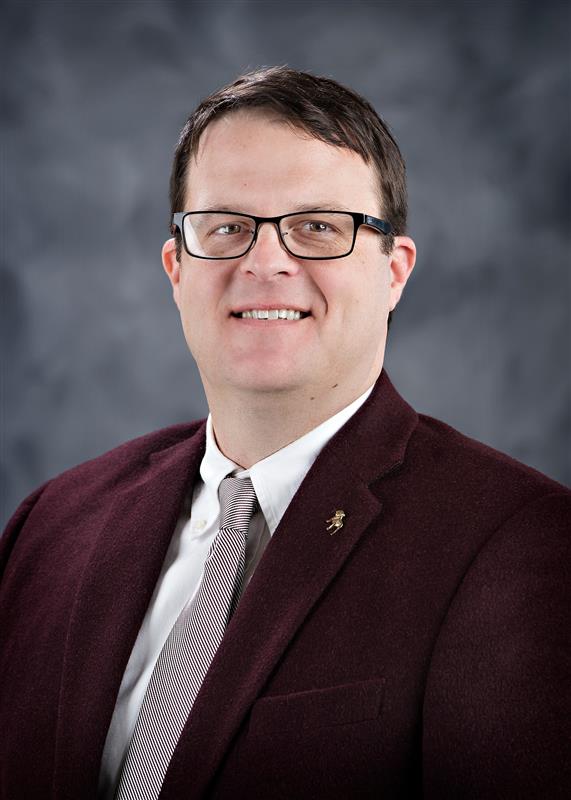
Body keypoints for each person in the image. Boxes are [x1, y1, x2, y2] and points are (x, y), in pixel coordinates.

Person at [1, 66, 569, 800]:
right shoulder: (53, 524)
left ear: (393, 271)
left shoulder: (520, 544)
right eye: (227, 227)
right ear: (177, 268)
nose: (264, 262)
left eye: (317, 227)